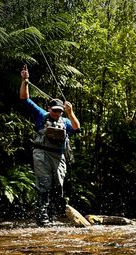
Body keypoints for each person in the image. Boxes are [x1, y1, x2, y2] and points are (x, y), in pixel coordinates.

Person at [19, 65, 81, 226]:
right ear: (49, 108)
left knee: (58, 184)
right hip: (41, 154)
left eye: (59, 111)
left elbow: (76, 128)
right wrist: (25, 81)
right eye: (54, 110)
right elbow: (25, 99)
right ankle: (42, 216)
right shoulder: (41, 115)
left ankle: (53, 214)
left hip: (58, 156)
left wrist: (70, 112)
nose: (56, 113)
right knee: (43, 183)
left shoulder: (65, 120)